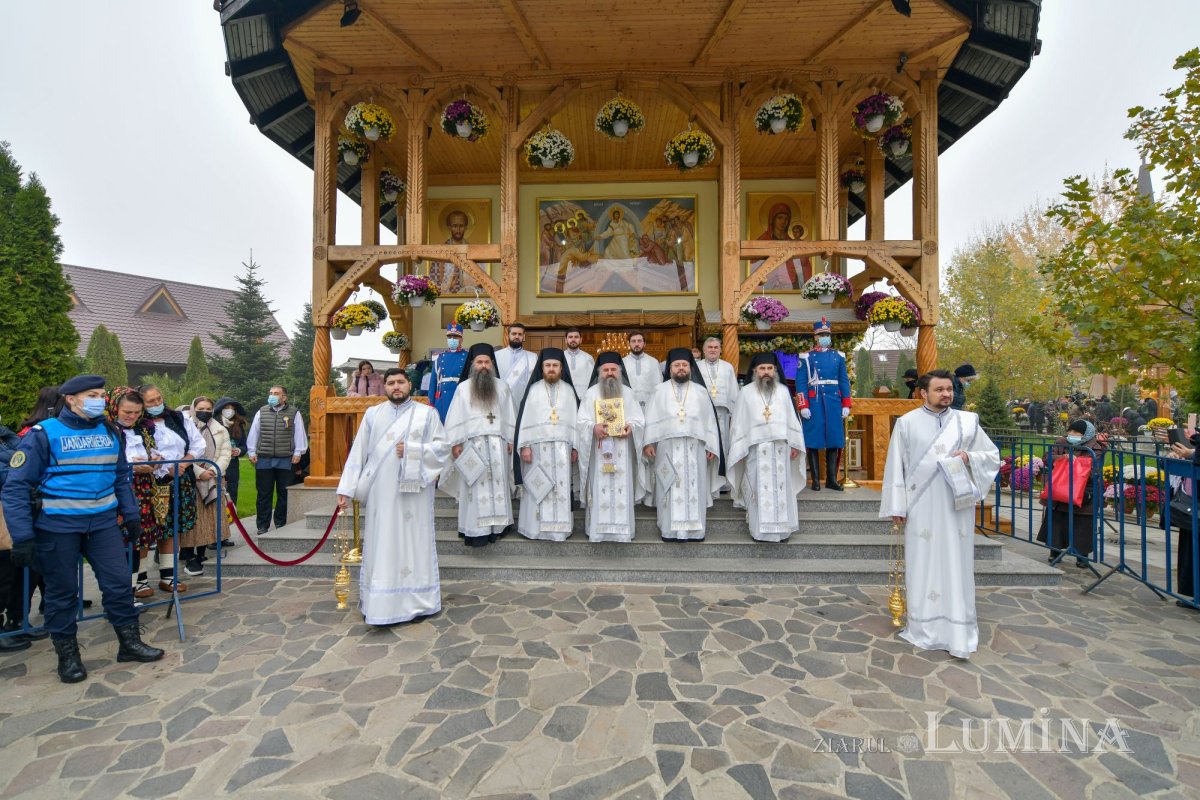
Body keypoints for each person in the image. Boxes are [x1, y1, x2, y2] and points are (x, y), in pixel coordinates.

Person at [1, 374, 164, 682]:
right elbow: (16, 487)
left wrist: (131, 517)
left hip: (103, 525)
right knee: (63, 594)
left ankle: (129, 643)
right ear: (71, 399)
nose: (100, 400)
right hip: (58, 528)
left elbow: (120, 477)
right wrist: (22, 536)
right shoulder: (43, 434)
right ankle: (68, 657)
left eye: (102, 394)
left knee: (118, 584)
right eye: (92, 394)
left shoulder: (109, 430)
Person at [879, 370, 1000, 660]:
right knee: (922, 562)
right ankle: (925, 627)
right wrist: (897, 505)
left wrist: (969, 457)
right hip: (921, 506)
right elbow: (896, 465)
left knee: (956, 563)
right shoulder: (907, 423)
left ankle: (958, 629)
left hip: (956, 504)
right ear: (923, 393)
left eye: (948, 389)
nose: (946, 394)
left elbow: (992, 455)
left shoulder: (967, 421)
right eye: (939, 389)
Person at [336, 369, 449, 624]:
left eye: (400, 382)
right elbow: (359, 452)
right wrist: (346, 488)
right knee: (382, 542)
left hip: (415, 496)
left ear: (410, 384)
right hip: (382, 494)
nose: (396, 387)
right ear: (384, 387)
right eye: (390, 383)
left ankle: (418, 601)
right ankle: (381, 604)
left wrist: (412, 450)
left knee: (414, 542)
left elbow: (442, 449)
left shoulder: (427, 414)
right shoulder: (373, 414)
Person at [438, 344, 516, 547]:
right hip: (472, 445)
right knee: (474, 486)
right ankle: (475, 530)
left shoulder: (502, 386)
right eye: (479, 362)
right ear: (473, 364)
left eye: (486, 362)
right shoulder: (463, 388)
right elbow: (455, 416)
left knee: (498, 484)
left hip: (498, 445)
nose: (483, 366)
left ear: (492, 364)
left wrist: (510, 439)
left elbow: (510, 416)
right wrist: (455, 443)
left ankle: (498, 527)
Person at [640, 349, 721, 542]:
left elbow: (709, 420)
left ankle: (695, 530)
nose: (681, 368)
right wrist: (648, 442)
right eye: (677, 365)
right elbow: (650, 417)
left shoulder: (701, 391)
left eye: (684, 365)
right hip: (666, 446)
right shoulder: (659, 390)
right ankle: (668, 530)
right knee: (667, 484)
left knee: (695, 485)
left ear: (690, 368)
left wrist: (711, 445)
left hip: (695, 447)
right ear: (670, 369)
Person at [727, 354, 807, 542]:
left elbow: (791, 419)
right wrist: (738, 450)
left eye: (769, 369)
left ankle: (782, 530)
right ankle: (759, 531)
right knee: (758, 488)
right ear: (755, 371)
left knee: (781, 488)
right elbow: (738, 423)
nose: (766, 373)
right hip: (755, 449)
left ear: (775, 371)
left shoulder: (783, 391)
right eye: (762, 369)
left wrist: (794, 443)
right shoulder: (745, 392)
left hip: (781, 449)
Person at [106, 388, 168, 603]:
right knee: (120, 545)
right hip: (118, 494)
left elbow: (152, 451)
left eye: (136, 412)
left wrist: (155, 459)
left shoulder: (143, 430)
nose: (132, 416)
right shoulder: (107, 431)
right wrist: (133, 467)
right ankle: (119, 595)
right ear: (115, 408)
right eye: (127, 412)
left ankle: (130, 591)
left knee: (138, 541)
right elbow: (109, 463)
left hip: (143, 492)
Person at [576, 353, 646, 543]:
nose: (609, 373)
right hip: (599, 450)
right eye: (605, 370)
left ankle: (623, 530)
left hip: (622, 447)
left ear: (619, 372)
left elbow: (639, 420)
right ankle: (598, 531)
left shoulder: (629, 393)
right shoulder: (590, 394)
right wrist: (593, 427)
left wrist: (631, 427)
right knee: (600, 489)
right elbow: (581, 421)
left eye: (613, 370)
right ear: (599, 373)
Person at [140, 384, 202, 592]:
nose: (157, 403)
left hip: (180, 478)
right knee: (146, 531)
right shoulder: (138, 424)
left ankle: (168, 576)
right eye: (151, 401)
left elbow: (197, 444)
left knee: (172, 528)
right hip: (150, 482)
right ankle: (139, 580)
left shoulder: (178, 418)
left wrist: (183, 463)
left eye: (159, 398)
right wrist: (165, 470)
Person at [513, 349, 579, 542]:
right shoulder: (533, 390)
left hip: (562, 450)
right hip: (537, 450)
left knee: (560, 487)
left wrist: (575, 447)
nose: (551, 369)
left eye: (555, 366)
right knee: (537, 486)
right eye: (548, 366)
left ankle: (559, 529)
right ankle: (534, 529)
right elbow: (525, 419)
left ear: (561, 367)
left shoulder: (568, 390)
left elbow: (575, 421)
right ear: (541, 368)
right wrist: (524, 446)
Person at [1035, 419, 1105, 569]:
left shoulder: (1095, 447)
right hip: (1060, 489)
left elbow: (1093, 466)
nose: (1071, 435)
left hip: (1084, 491)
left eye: (1076, 432)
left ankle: (1082, 556)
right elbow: (1047, 458)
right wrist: (1063, 458)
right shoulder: (1060, 443)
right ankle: (1054, 551)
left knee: (1082, 525)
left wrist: (1075, 462)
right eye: (1070, 431)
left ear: (1086, 434)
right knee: (1057, 521)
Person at [796, 319, 851, 491]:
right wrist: (803, 405)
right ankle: (815, 480)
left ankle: (832, 479)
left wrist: (846, 403)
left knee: (834, 440)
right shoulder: (806, 357)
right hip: (815, 402)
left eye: (827, 335)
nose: (824, 337)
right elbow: (801, 383)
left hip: (834, 401)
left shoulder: (839, 356)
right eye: (821, 335)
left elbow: (844, 380)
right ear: (815, 337)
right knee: (813, 440)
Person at [247, 385, 307, 535]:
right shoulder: (261, 412)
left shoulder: (294, 413)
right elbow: (255, 432)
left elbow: (299, 433)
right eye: (271, 393)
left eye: (276, 393)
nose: (272, 395)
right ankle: (262, 525)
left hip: (286, 458)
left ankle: (280, 523)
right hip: (264, 458)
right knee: (263, 493)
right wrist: (251, 451)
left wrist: (298, 452)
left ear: (284, 397)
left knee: (284, 492)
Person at [180, 397, 231, 575]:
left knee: (207, 521)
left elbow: (225, 453)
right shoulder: (185, 427)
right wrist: (197, 471)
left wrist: (213, 470)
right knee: (192, 519)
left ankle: (201, 554)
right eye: (201, 408)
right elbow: (182, 452)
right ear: (194, 408)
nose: (205, 411)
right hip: (190, 479)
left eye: (209, 408)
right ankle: (188, 555)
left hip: (213, 478)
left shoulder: (220, 429)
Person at [699, 337, 738, 491]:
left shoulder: (727, 367)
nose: (713, 350)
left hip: (722, 413)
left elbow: (733, 390)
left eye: (716, 347)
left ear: (721, 350)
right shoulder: (697, 366)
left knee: (723, 445)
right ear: (704, 350)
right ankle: (706, 482)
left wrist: (734, 414)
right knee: (706, 445)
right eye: (710, 347)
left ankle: (722, 483)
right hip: (703, 414)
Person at [494, 322, 539, 414]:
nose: (517, 336)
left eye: (520, 334)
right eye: (514, 334)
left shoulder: (533, 357)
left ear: (523, 336)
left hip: (524, 400)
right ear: (508, 335)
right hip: (501, 399)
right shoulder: (496, 355)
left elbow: (536, 381)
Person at [428, 209, 474, 294]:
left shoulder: (472, 250)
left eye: (461, 226)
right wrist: (447, 285)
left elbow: (479, 279)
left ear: (466, 227)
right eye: (455, 226)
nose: (458, 229)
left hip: (467, 297)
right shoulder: (441, 251)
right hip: (446, 298)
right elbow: (433, 280)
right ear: (449, 227)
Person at [214, 396, 248, 509]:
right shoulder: (214, 424)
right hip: (217, 463)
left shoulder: (238, 425)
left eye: (232, 408)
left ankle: (232, 517)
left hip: (232, 465)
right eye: (227, 407)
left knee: (232, 492)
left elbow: (244, 445)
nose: (229, 410)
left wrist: (238, 450)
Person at [432, 324, 468, 422]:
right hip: (442, 399)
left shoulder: (467, 357)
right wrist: (431, 402)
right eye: (449, 336)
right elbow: (433, 383)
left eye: (455, 336)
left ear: (461, 339)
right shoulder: (438, 357)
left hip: (461, 397)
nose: (452, 339)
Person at [622, 332, 661, 412]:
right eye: (633, 341)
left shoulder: (653, 362)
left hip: (650, 406)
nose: (636, 344)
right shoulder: (622, 362)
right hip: (629, 407)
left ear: (644, 344)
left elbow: (658, 385)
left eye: (639, 341)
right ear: (629, 344)